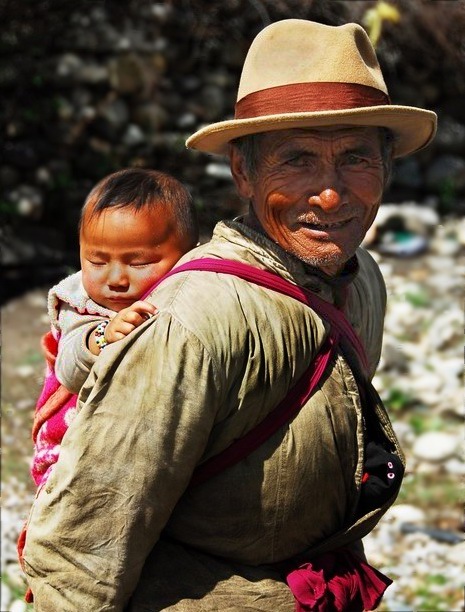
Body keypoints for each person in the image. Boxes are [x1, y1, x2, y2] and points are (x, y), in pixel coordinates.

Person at [22, 19, 437, 611]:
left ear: (387, 169)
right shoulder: (194, 320)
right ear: (243, 171)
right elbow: (81, 554)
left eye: (356, 158)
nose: (330, 193)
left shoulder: (360, 277)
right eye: (296, 159)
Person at [29, 167, 199, 489]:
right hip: (71, 449)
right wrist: (101, 337)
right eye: (96, 261)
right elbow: (68, 367)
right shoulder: (80, 305)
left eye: (138, 263)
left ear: (190, 255)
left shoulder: (188, 290)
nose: (116, 280)